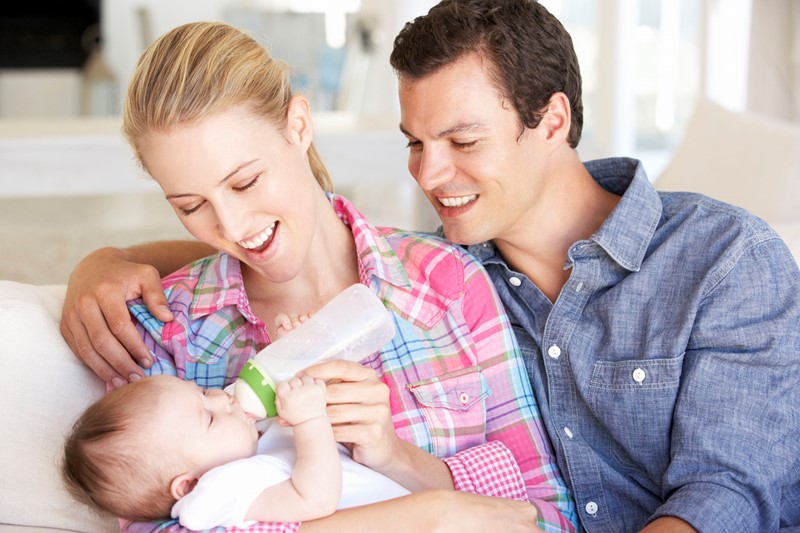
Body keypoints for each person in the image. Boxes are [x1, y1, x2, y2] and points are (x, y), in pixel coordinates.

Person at [59, 2, 800, 532]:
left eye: (463, 141)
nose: (429, 175)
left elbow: (714, 495)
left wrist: (405, 469)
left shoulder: (455, 282)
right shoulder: (169, 331)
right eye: (415, 143)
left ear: (552, 120)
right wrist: (110, 259)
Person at [61, 20, 577, 533]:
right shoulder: (167, 331)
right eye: (191, 206)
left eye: (245, 182)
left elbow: (549, 515)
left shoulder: (448, 283)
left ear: (298, 126)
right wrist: (425, 517)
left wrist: (395, 457)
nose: (232, 228)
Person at [62, 373, 410, 530]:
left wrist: (290, 361)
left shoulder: (239, 443)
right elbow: (316, 499)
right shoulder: (219, 491)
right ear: (189, 484)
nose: (220, 397)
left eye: (201, 391)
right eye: (209, 418)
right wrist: (310, 419)